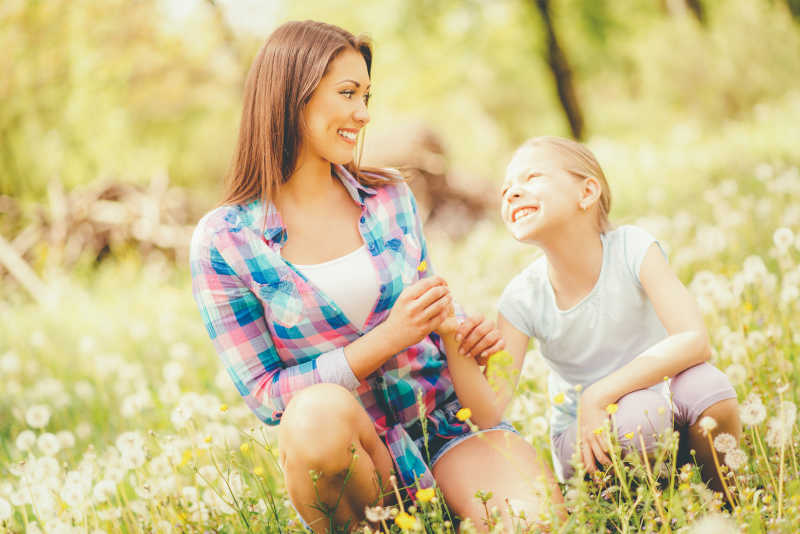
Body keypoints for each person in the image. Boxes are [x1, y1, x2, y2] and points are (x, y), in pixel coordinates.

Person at [190, 21, 561, 533]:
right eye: (347, 94)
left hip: (444, 426)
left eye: (366, 95)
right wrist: (388, 337)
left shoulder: (389, 196)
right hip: (358, 454)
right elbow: (268, 395)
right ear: (290, 96)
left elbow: (428, 313)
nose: (363, 114)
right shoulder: (225, 242)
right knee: (314, 419)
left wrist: (461, 332)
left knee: (537, 524)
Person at [494, 136, 741, 492]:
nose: (512, 193)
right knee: (640, 416)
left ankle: (728, 500)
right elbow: (489, 405)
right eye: (505, 189)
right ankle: (653, 515)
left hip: (661, 401)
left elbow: (694, 340)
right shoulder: (521, 298)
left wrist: (599, 393)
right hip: (587, 437)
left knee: (709, 386)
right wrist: (453, 332)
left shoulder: (633, 249)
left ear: (587, 192)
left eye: (531, 178)